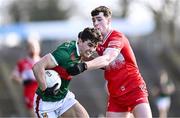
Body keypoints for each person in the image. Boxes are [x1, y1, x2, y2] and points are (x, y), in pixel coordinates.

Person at [67, 6, 152, 118]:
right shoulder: (97, 42)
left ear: (109, 20)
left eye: (99, 19)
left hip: (133, 89)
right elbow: (104, 64)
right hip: (115, 94)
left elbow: (107, 58)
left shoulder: (116, 37)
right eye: (93, 20)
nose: (96, 23)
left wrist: (84, 66)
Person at [32, 27, 102, 118]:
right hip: (45, 103)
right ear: (80, 41)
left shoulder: (80, 50)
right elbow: (37, 67)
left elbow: (87, 57)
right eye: (90, 45)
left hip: (64, 98)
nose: (92, 49)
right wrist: (45, 89)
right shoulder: (64, 54)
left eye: (94, 46)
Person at [11, 36, 41, 117]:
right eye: (31, 47)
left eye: (35, 47)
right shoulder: (22, 63)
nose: (34, 49)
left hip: (43, 90)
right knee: (33, 112)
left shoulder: (44, 61)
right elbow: (14, 77)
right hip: (30, 90)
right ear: (28, 49)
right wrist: (23, 81)